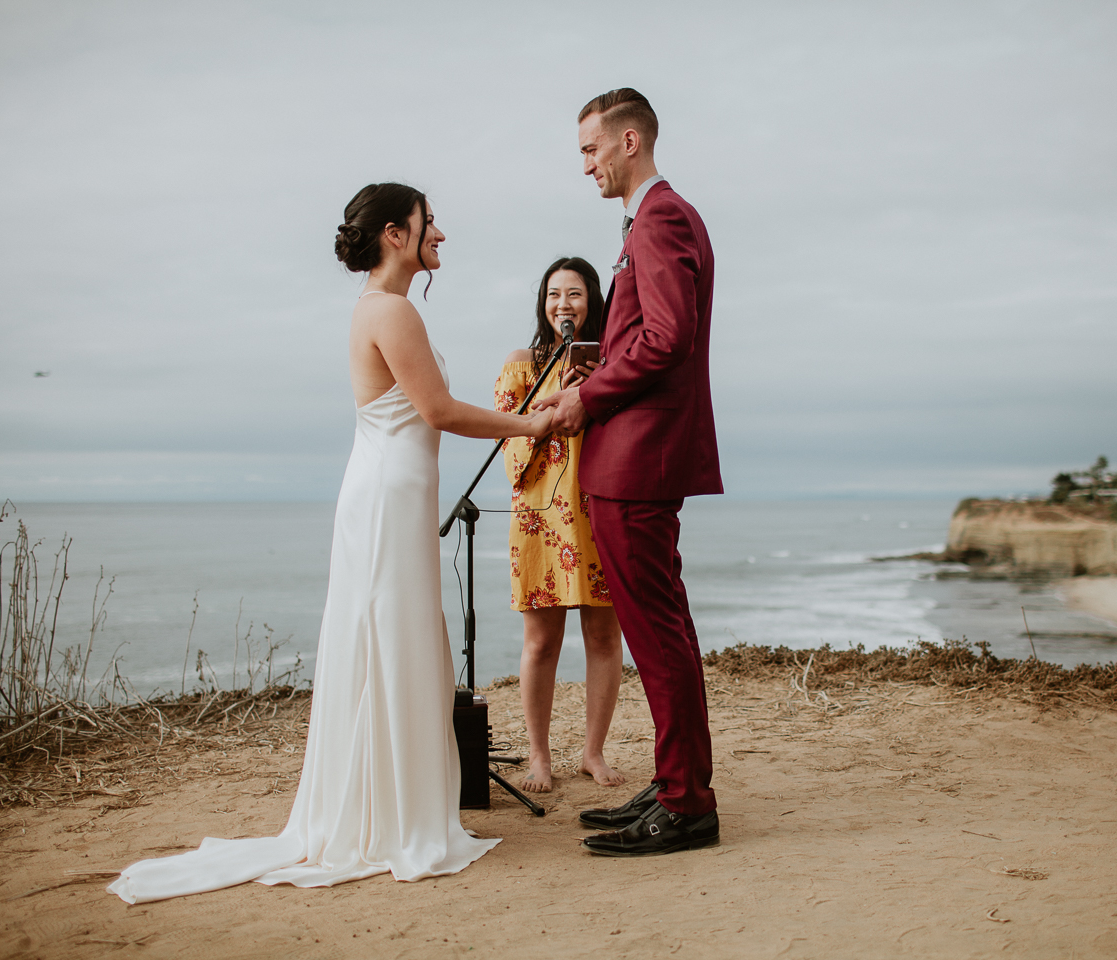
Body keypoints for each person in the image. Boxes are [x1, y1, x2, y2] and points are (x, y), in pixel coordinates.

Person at [108, 183, 553, 904]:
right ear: (394, 235)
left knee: (395, 641)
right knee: (391, 639)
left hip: (394, 493)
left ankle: (394, 805)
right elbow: (437, 410)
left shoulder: (381, 308)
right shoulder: (391, 310)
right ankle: (394, 816)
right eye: (428, 221)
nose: (440, 232)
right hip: (386, 498)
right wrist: (531, 427)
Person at [536, 89, 724, 857]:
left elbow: (668, 338)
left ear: (630, 140)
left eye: (591, 149)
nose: (585, 165)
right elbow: (647, 333)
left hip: (637, 459)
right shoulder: (651, 220)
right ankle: (676, 782)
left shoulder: (661, 217)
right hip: (635, 457)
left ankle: (686, 804)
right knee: (661, 630)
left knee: (659, 636)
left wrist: (586, 392)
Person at [494, 257, 626, 794]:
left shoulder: (613, 365)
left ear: (592, 301)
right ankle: (539, 755)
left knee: (603, 636)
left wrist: (596, 392)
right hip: (541, 519)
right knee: (540, 643)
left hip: (599, 511)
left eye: (574, 294)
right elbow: (510, 455)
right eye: (553, 294)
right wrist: (555, 404)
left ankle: (593, 753)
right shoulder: (521, 365)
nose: (563, 305)